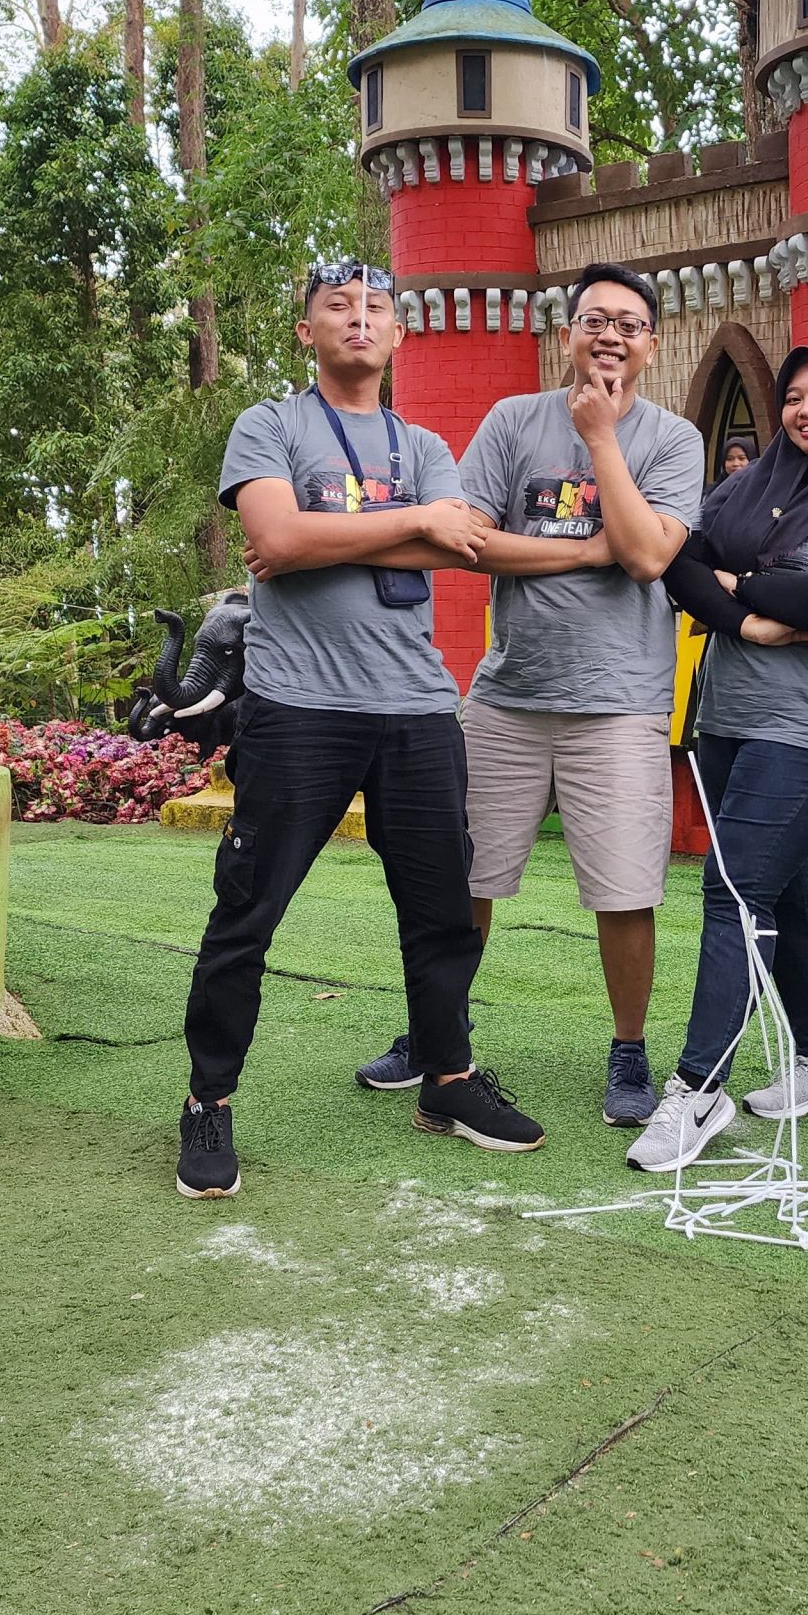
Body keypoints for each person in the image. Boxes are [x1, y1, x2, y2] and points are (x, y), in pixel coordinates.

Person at [176, 259, 545, 1201]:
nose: (359, 318)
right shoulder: (270, 425)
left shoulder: (421, 444)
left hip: (417, 708)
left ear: (398, 333)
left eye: (376, 307)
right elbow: (277, 540)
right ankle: (209, 1100)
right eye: (337, 306)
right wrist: (403, 523)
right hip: (298, 708)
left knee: (442, 913)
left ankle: (448, 1079)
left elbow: (453, 543)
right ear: (307, 331)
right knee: (247, 911)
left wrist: (330, 534)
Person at [355, 263, 704, 1128]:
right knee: (463, 877)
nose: (610, 335)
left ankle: (628, 1049)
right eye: (595, 320)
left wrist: (601, 439)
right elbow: (467, 540)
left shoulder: (672, 440)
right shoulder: (512, 420)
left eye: (628, 323)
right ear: (568, 330)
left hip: (619, 701)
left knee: (624, 890)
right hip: (506, 697)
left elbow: (647, 556)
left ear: (652, 344)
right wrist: (586, 551)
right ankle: (439, 1035)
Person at [628, 345, 808, 1173]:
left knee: (734, 891)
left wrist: (740, 581)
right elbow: (679, 567)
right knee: (784, 889)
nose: (806, 409)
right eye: (793, 396)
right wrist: (750, 618)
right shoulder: (740, 490)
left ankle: (697, 1088)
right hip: (725, 717)